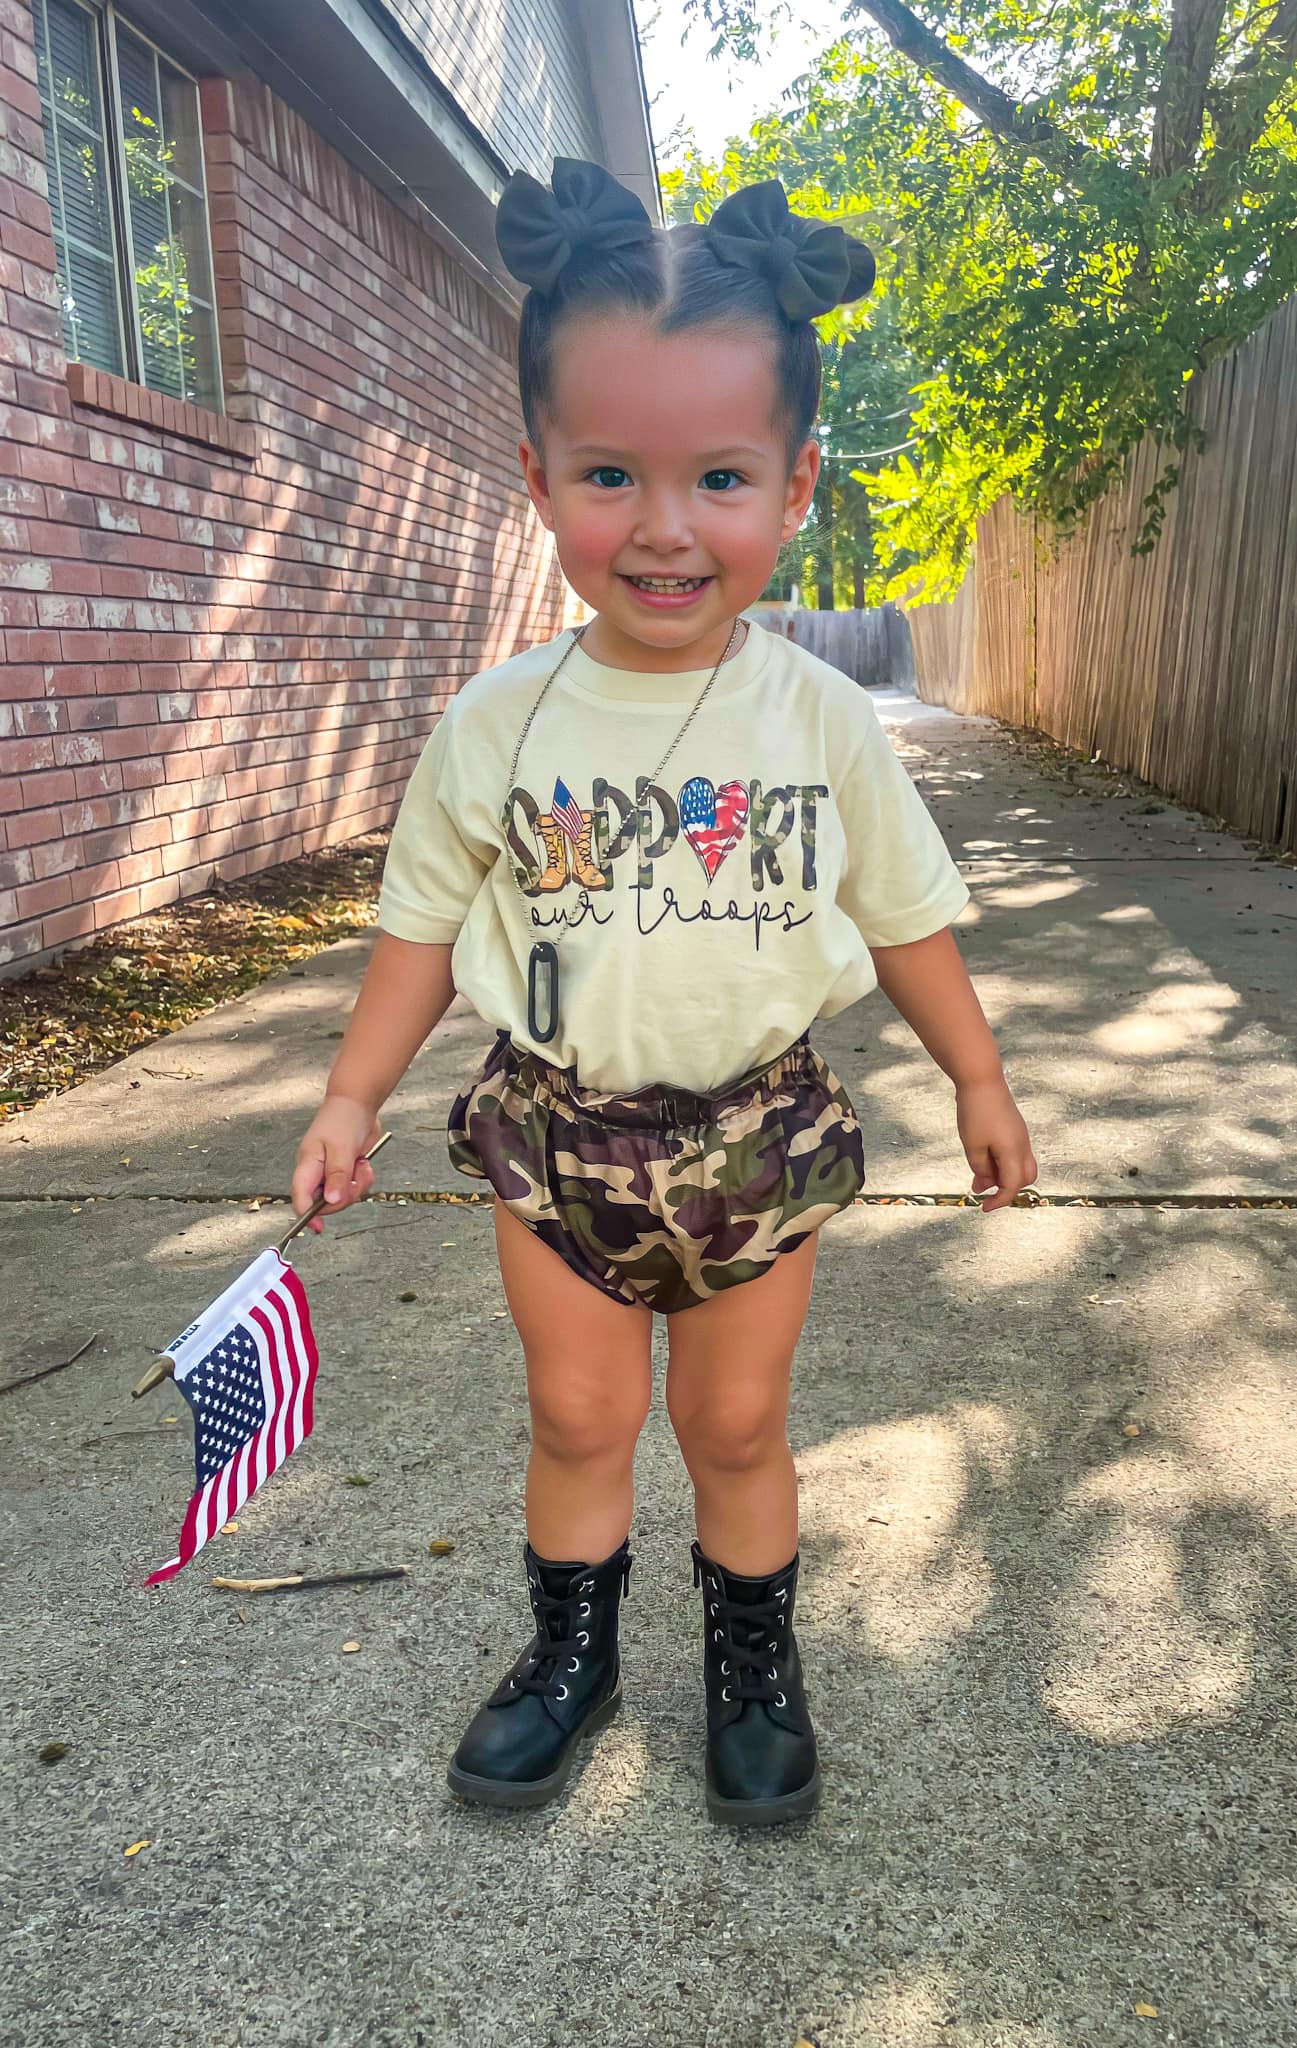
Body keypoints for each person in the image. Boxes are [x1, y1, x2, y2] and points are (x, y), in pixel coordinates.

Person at [290, 157, 1037, 1826]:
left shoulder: (818, 718)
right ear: (539, 475)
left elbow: (906, 916)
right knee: (576, 1411)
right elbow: (420, 926)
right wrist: (348, 1095)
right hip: (553, 1133)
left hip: (757, 1135)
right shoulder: (498, 722)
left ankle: (751, 1663)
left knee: (738, 1419)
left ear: (793, 483)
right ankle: (572, 1655)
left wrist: (979, 1079)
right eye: (610, 474)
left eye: (718, 476)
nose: (663, 526)